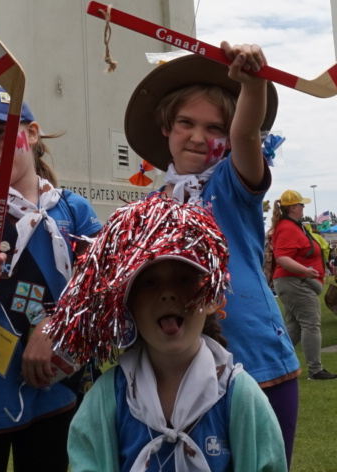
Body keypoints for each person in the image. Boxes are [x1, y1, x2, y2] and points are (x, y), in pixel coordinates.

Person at [123, 47, 303, 464]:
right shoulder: (147, 208)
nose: (199, 137)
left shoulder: (232, 182)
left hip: (257, 360)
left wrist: (253, 86)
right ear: (166, 128)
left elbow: (246, 136)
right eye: (186, 122)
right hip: (179, 375)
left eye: (215, 127)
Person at [48, 194, 288, 472]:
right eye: (150, 282)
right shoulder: (106, 400)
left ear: (211, 298)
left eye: (184, 279)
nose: (168, 293)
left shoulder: (240, 396)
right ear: (127, 304)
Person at [0, 88, 103, 472]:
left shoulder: (72, 209)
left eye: (1, 133)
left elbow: (98, 288)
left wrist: (53, 327)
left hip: (53, 385)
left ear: (31, 134)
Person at [270, 190, 336, 382]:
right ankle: (315, 370)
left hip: (293, 282)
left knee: (295, 327)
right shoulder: (288, 228)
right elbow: (282, 257)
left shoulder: (291, 226)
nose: (303, 207)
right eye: (301, 205)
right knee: (310, 325)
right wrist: (305, 271)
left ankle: (275, 365)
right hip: (295, 282)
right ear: (292, 208)